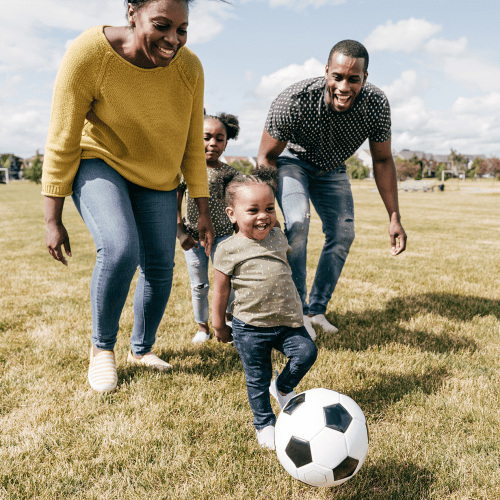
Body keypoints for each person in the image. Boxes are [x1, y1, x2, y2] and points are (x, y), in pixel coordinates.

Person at [42, 0, 231, 393]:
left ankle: (141, 350)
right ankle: (102, 349)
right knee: (120, 247)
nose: (172, 40)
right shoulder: (89, 53)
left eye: (182, 30)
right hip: (100, 161)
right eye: (161, 26)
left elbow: (192, 147)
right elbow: (62, 137)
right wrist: (52, 217)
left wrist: (201, 208)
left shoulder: (189, 68)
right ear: (132, 11)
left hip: (158, 175)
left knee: (161, 267)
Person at [257, 39, 407, 339]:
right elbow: (266, 157)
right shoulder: (295, 100)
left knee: (343, 233)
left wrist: (394, 216)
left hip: (333, 168)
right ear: (327, 72)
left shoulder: (375, 105)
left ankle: (317, 310)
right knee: (297, 223)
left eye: (354, 79)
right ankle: (297, 313)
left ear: (365, 78)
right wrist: (265, 209)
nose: (344, 86)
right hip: (292, 162)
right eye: (337, 77)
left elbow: (382, 159)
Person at [212, 173, 318, 450]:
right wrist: (218, 324)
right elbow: (220, 290)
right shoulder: (227, 249)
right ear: (232, 214)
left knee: (307, 353)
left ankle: (282, 387)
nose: (264, 216)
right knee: (257, 378)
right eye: (253, 210)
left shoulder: (278, 236)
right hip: (249, 327)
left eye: (269, 208)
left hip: (287, 322)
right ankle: (264, 423)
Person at [177, 113, 240, 343]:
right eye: (206, 137)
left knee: (228, 280)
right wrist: (180, 231)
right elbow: (175, 199)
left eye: (219, 139)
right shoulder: (185, 169)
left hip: (223, 237)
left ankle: (228, 320)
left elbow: (240, 202)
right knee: (199, 285)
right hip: (193, 240)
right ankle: (202, 327)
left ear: (226, 142)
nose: (213, 143)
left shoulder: (229, 173)